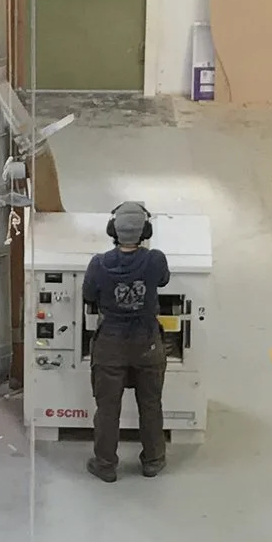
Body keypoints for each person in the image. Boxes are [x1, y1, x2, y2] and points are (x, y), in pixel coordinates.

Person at [82, 199, 171, 482]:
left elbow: (88, 296)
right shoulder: (155, 259)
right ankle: (153, 460)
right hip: (148, 344)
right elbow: (164, 281)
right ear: (146, 231)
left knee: (107, 409)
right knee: (151, 404)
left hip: (110, 345)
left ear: (113, 229)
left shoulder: (99, 264)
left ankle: (105, 464)